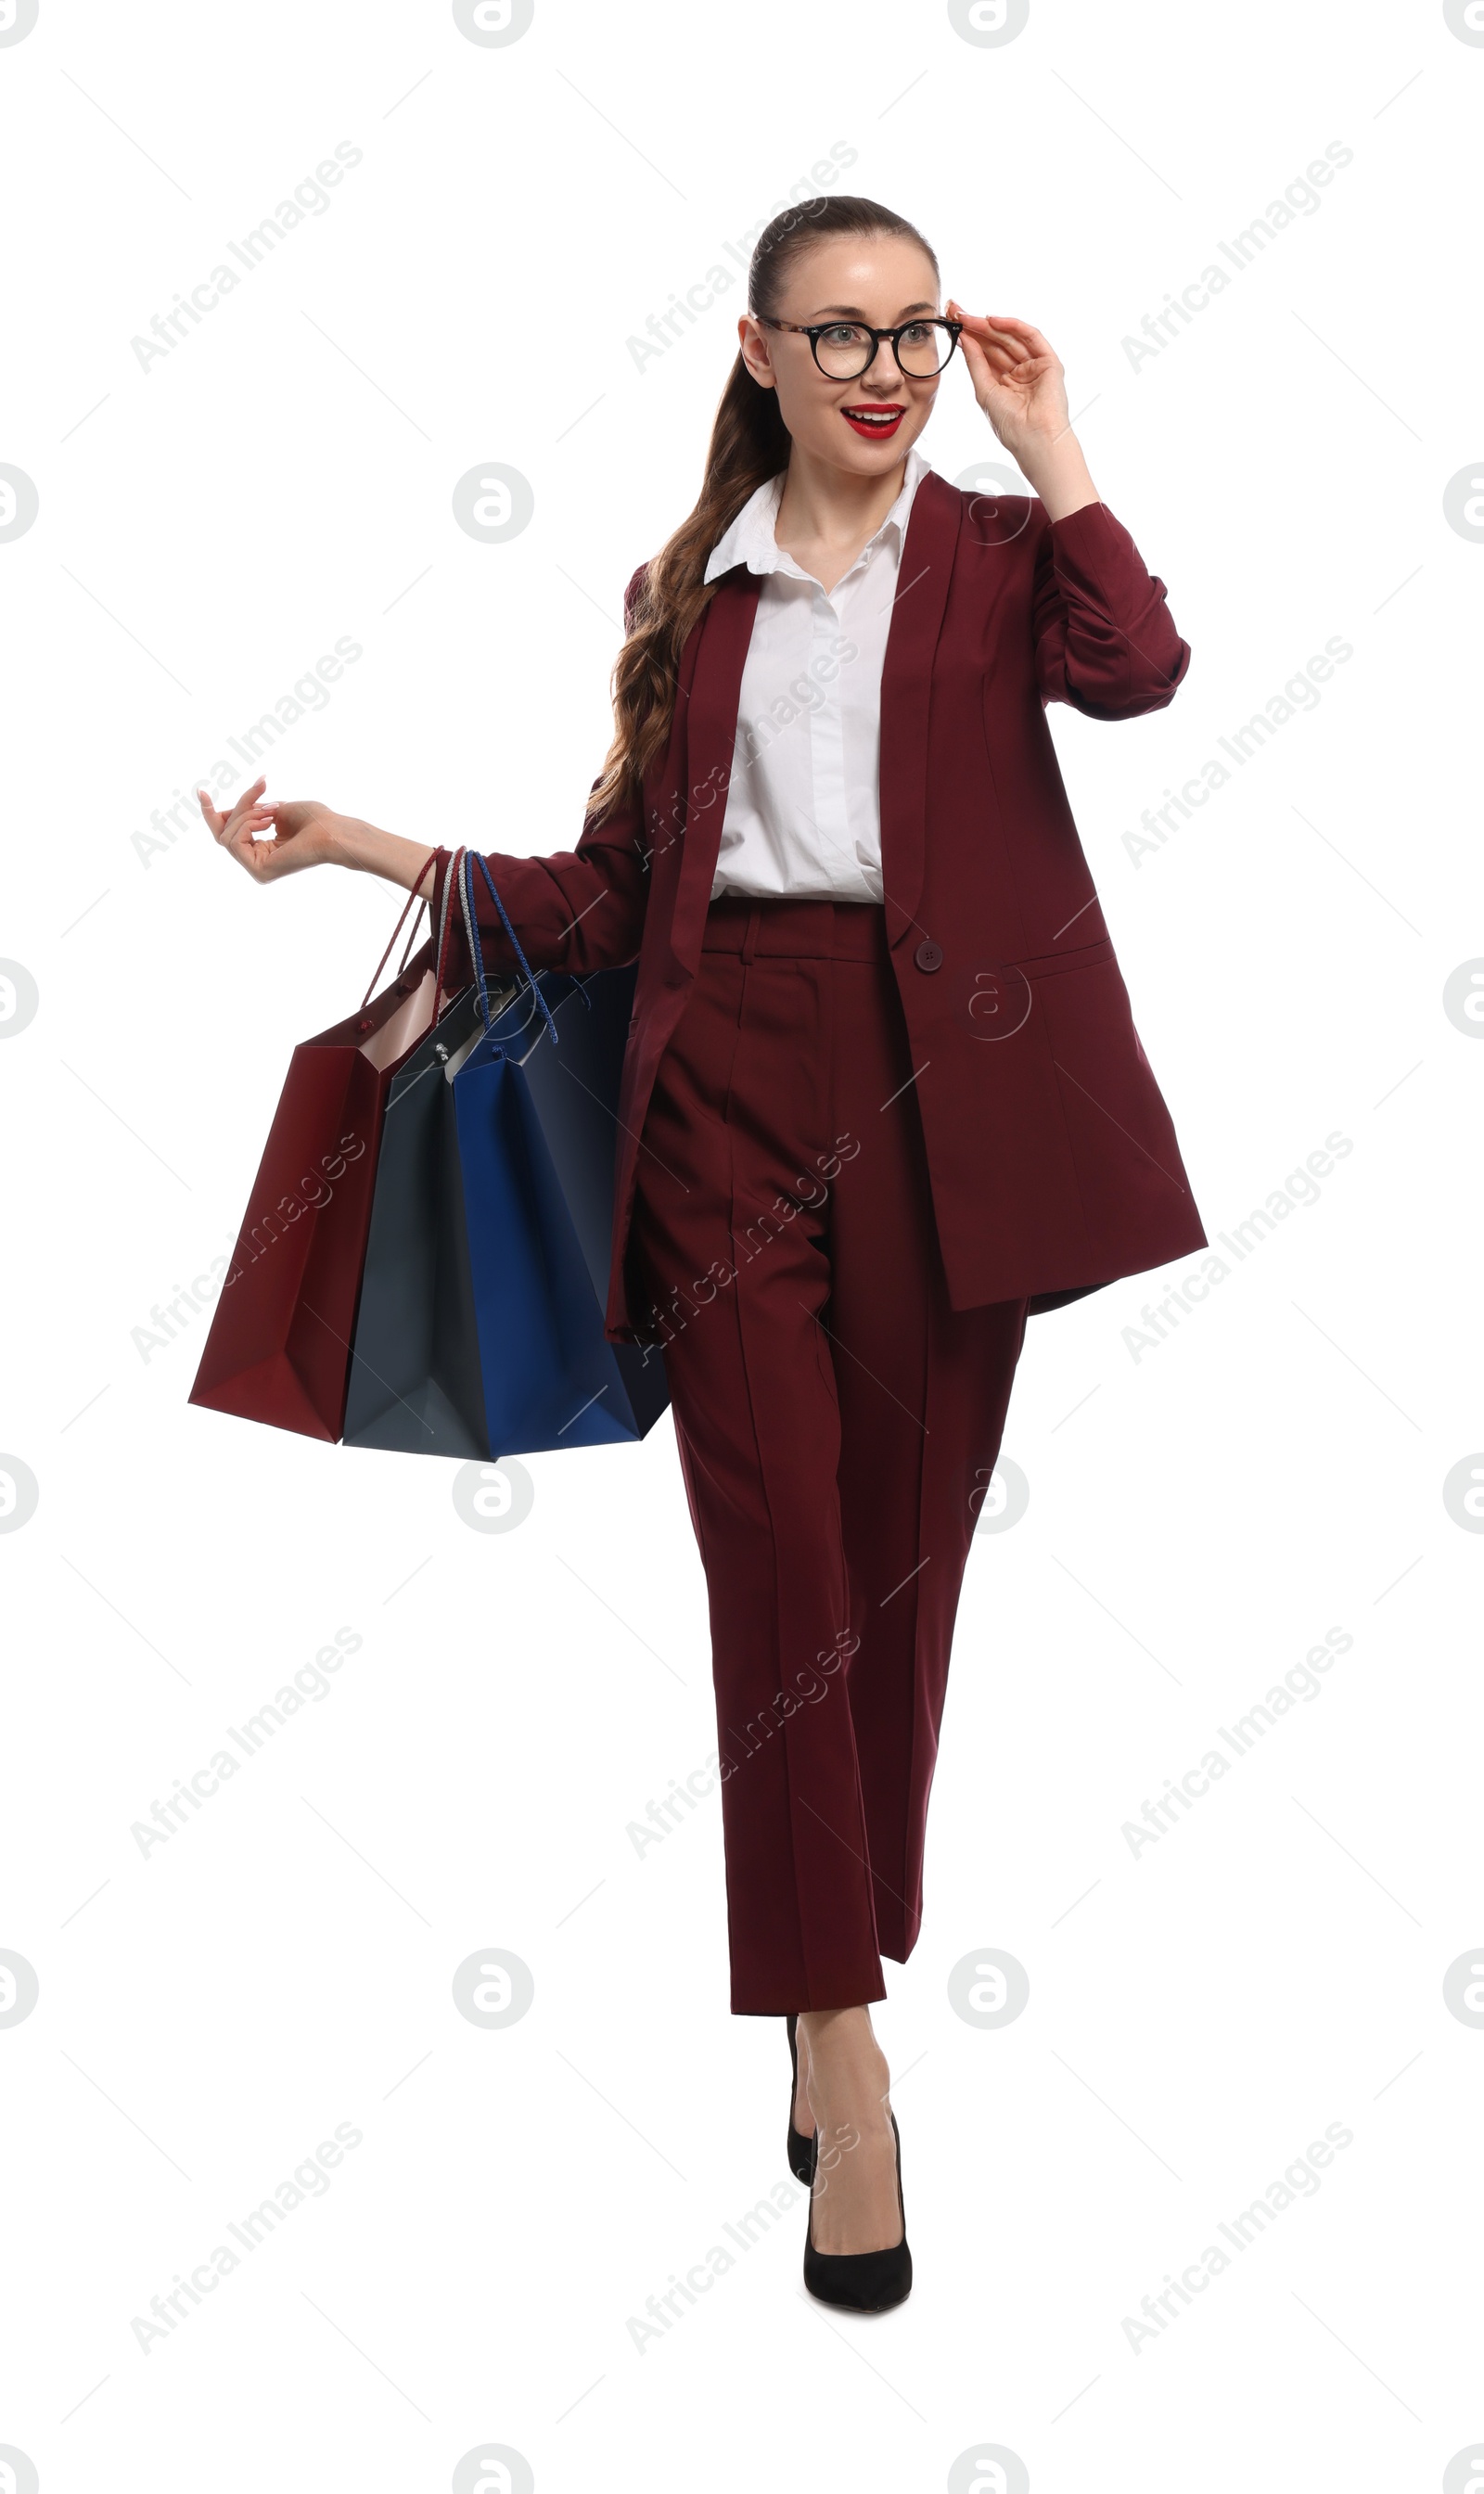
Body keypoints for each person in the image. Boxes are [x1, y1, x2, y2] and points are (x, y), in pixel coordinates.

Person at [200, 193, 1206, 2313]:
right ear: (755, 353)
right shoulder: (697, 594)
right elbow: (603, 894)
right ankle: (839, 2056)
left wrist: (1060, 456)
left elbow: (1140, 673)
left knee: (889, 1582)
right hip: (721, 1104)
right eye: (837, 335)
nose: (881, 369)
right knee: (776, 1577)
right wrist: (364, 847)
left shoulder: (1004, 566)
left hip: (954, 1120)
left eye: (914, 332)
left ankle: (843, 1954)